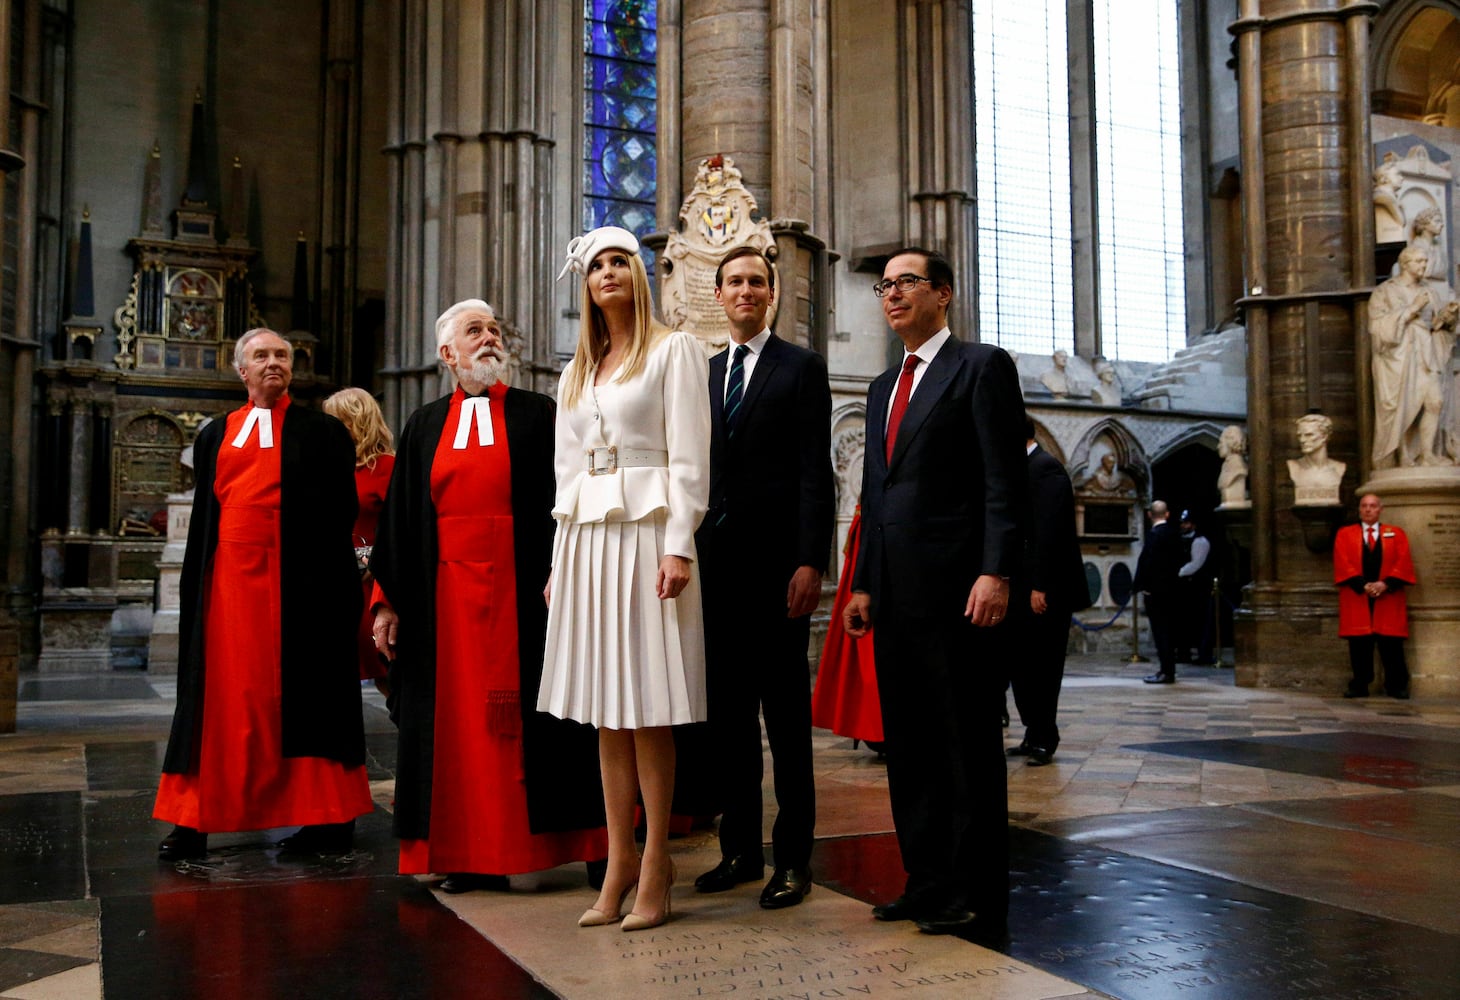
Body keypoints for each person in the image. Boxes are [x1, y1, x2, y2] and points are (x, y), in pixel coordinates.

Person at [368, 299, 608, 894]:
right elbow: (398, 520)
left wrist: (567, 569)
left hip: (528, 590)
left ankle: (575, 845)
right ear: (447, 353)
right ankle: (469, 853)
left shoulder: (538, 414)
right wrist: (386, 601)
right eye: (474, 331)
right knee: (457, 731)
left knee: (544, 719)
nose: (490, 339)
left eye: (495, 330)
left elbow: (570, 498)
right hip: (442, 601)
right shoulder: (423, 425)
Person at [841, 247, 1026, 942]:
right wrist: (862, 581)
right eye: (885, 286)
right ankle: (925, 882)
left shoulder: (980, 367)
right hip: (895, 595)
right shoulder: (884, 384)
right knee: (912, 746)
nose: (891, 296)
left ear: (942, 294)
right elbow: (876, 491)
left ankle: (972, 887)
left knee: (964, 745)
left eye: (906, 283)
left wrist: (997, 571)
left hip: (960, 591)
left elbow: (1002, 479)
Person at [537, 226, 711, 932]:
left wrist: (680, 547)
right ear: (584, 286)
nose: (608, 273)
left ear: (638, 275)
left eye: (620, 262)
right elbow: (564, 472)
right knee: (606, 712)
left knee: (646, 707)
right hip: (586, 540)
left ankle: (657, 866)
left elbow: (691, 459)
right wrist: (557, 562)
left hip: (649, 536)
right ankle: (618, 862)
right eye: (596, 266)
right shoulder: (576, 371)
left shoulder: (675, 350)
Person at [154, 328, 373, 860]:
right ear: (241, 370)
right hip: (228, 585)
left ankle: (327, 819)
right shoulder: (213, 434)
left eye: (282, 355)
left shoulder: (322, 432)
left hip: (301, 586)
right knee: (220, 699)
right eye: (261, 356)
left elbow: (340, 513)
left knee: (305, 698)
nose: (273, 363)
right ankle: (195, 818)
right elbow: (208, 516)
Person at [692, 247, 834, 910]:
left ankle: (794, 861)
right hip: (716, 575)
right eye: (735, 282)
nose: (746, 291)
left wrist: (812, 560)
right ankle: (741, 852)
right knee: (727, 723)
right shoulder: (704, 371)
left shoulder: (800, 367)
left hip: (780, 573)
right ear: (718, 295)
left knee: (785, 724)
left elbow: (815, 471)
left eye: (757, 281)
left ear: (771, 294)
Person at [1005, 418, 1090, 767]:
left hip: (1046, 588)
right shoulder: (1024, 469)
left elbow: (1050, 532)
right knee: (1022, 664)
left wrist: (1040, 585)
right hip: (1023, 587)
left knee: (1043, 665)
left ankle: (1044, 737)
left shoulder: (1046, 469)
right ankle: (1031, 732)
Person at [323, 387, 396, 698]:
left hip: (371, 582)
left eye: (335, 422)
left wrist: (374, 559)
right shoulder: (326, 468)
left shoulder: (387, 467)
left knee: (383, 668)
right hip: (332, 580)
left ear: (356, 422)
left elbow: (399, 526)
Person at [1368, 245, 1457, 468]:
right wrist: (1411, 310)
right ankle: (1403, 455)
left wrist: (1447, 317)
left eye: (1425, 262)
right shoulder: (1385, 291)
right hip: (1399, 356)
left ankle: (1427, 454)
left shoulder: (1429, 291)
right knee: (1404, 403)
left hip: (1426, 351)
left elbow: (1435, 324)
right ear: (1405, 264)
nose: (1424, 266)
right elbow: (1377, 327)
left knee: (1434, 401)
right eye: (1419, 262)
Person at [1333, 493, 1415, 699]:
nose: (1368, 509)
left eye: (1372, 506)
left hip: (1388, 595)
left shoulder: (1396, 534)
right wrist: (1364, 585)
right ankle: (1359, 684)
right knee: (1360, 644)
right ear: (1359, 510)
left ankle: (1396, 685)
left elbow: (1403, 562)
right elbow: (1343, 562)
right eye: (1364, 506)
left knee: (1391, 644)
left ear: (1380, 509)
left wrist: (1385, 584)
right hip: (1358, 595)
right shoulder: (1345, 534)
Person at [1133, 500, 1183, 684]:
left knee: (1161, 632)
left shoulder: (1154, 535)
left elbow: (1148, 564)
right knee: (1169, 631)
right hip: (1172, 590)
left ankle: (1166, 671)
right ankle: (1168, 668)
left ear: (1149, 515)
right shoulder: (1174, 534)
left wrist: (1143, 587)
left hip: (1156, 593)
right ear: (1167, 514)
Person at [1175, 510, 1215, 666]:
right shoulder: (1180, 540)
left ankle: (1204, 654)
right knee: (1183, 621)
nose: (1184, 526)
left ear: (1193, 524)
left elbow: (1196, 563)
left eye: (1186, 523)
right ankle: (1183, 652)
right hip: (1184, 587)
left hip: (1198, 587)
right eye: (1182, 523)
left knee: (1201, 622)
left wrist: (1178, 573)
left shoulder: (1200, 541)